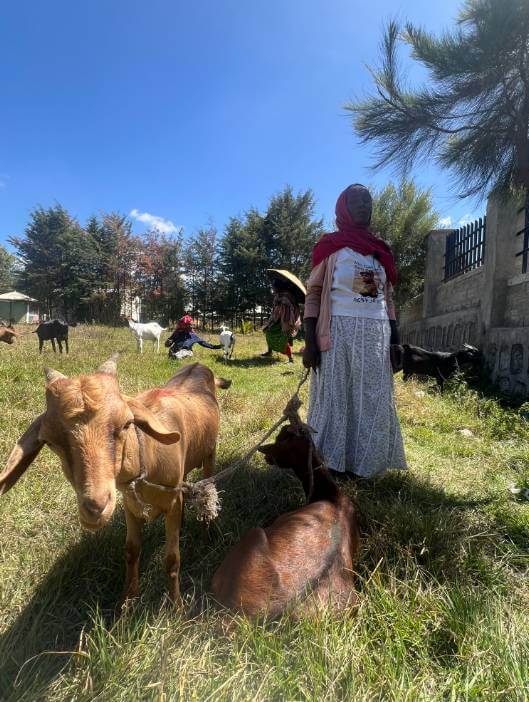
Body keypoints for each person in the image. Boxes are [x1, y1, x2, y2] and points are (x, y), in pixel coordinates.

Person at [303, 184, 407, 478]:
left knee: (371, 397)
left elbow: (386, 300)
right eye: (356, 200)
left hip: (375, 335)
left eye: (367, 200)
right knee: (336, 397)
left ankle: (366, 464)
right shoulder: (331, 247)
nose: (364, 205)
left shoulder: (378, 251)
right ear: (344, 207)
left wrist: (395, 341)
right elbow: (314, 294)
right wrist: (310, 341)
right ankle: (332, 463)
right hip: (337, 332)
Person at [261, 272, 303, 363]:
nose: (272, 288)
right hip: (277, 319)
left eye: (273, 287)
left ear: (278, 287)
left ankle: (290, 359)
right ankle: (269, 351)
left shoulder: (287, 295)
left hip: (286, 320)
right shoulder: (278, 295)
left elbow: (291, 308)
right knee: (268, 332)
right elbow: (276, 308)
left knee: (283, 339)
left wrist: (287, 321)